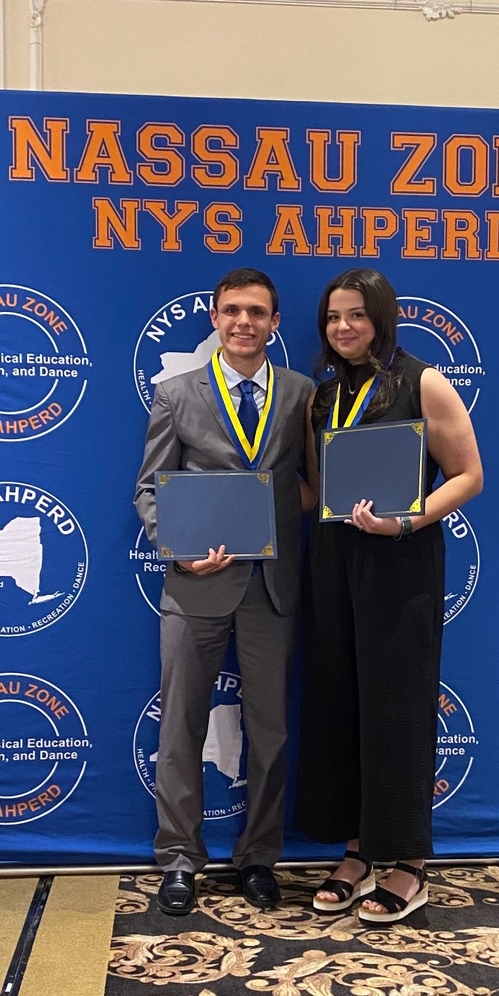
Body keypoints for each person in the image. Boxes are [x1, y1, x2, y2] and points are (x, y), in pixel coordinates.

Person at [294, 268, 483, 924]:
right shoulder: (321, 397)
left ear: (383, 317)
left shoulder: (423, 380)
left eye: (356, 315)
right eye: (333, 317)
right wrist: (231, 509)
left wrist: (408, 520)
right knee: (339, 703)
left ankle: (406, 864)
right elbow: (315, 494)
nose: (343, 327)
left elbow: (469, 475)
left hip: (400, 563)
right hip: (332, 563)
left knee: (396, 708)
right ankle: (355, 849)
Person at [135, 268, 313, 915]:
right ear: (214, 316)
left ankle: (259, 857)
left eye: (257, 312)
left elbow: (311, 484)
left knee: (270, 731)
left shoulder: (300, 395)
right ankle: (179, 857)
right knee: (181, 726)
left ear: (274, 322)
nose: (244, 322)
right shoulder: (176, 393)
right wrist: (181, 546)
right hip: (195, 586)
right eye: (233, 310)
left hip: (272, 588)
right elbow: (150, 489)